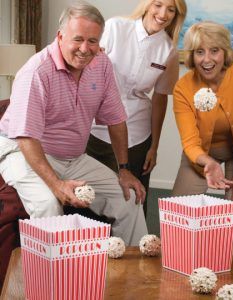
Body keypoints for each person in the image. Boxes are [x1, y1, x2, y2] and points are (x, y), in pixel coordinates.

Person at [0, 1, 147, 246]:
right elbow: (26, 137)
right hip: (22, 151)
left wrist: (124, 168)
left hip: (74, 158)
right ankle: (54, 281)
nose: (85, 49)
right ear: (60, 37)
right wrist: (56, 185)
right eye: (78, 39)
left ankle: (135, 277)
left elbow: (116, 119)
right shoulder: (36, 71)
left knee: (129, 197)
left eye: (93, 41)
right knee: (48, 204)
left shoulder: (101, 64)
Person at [87, 0, 187, 216]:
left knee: (134, 199)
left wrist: (154, 146)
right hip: (97, 130)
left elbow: (160, 98)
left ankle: (135, 248)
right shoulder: (115, 28)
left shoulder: (168, 49)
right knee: (90, 198)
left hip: (137, 134)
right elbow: (87, 69)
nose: (163, 14)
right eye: (158, 5)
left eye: (171, 10)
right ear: (147, 5)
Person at [172, 21, 233, 245]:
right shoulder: (183, 88)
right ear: (191, 56)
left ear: (225, 52)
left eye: (214, 50)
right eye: (199, 52)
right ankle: (179, 262)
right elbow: (190, 142)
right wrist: (209, 163)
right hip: (203, 153)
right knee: (179, 208)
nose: (207, 59)